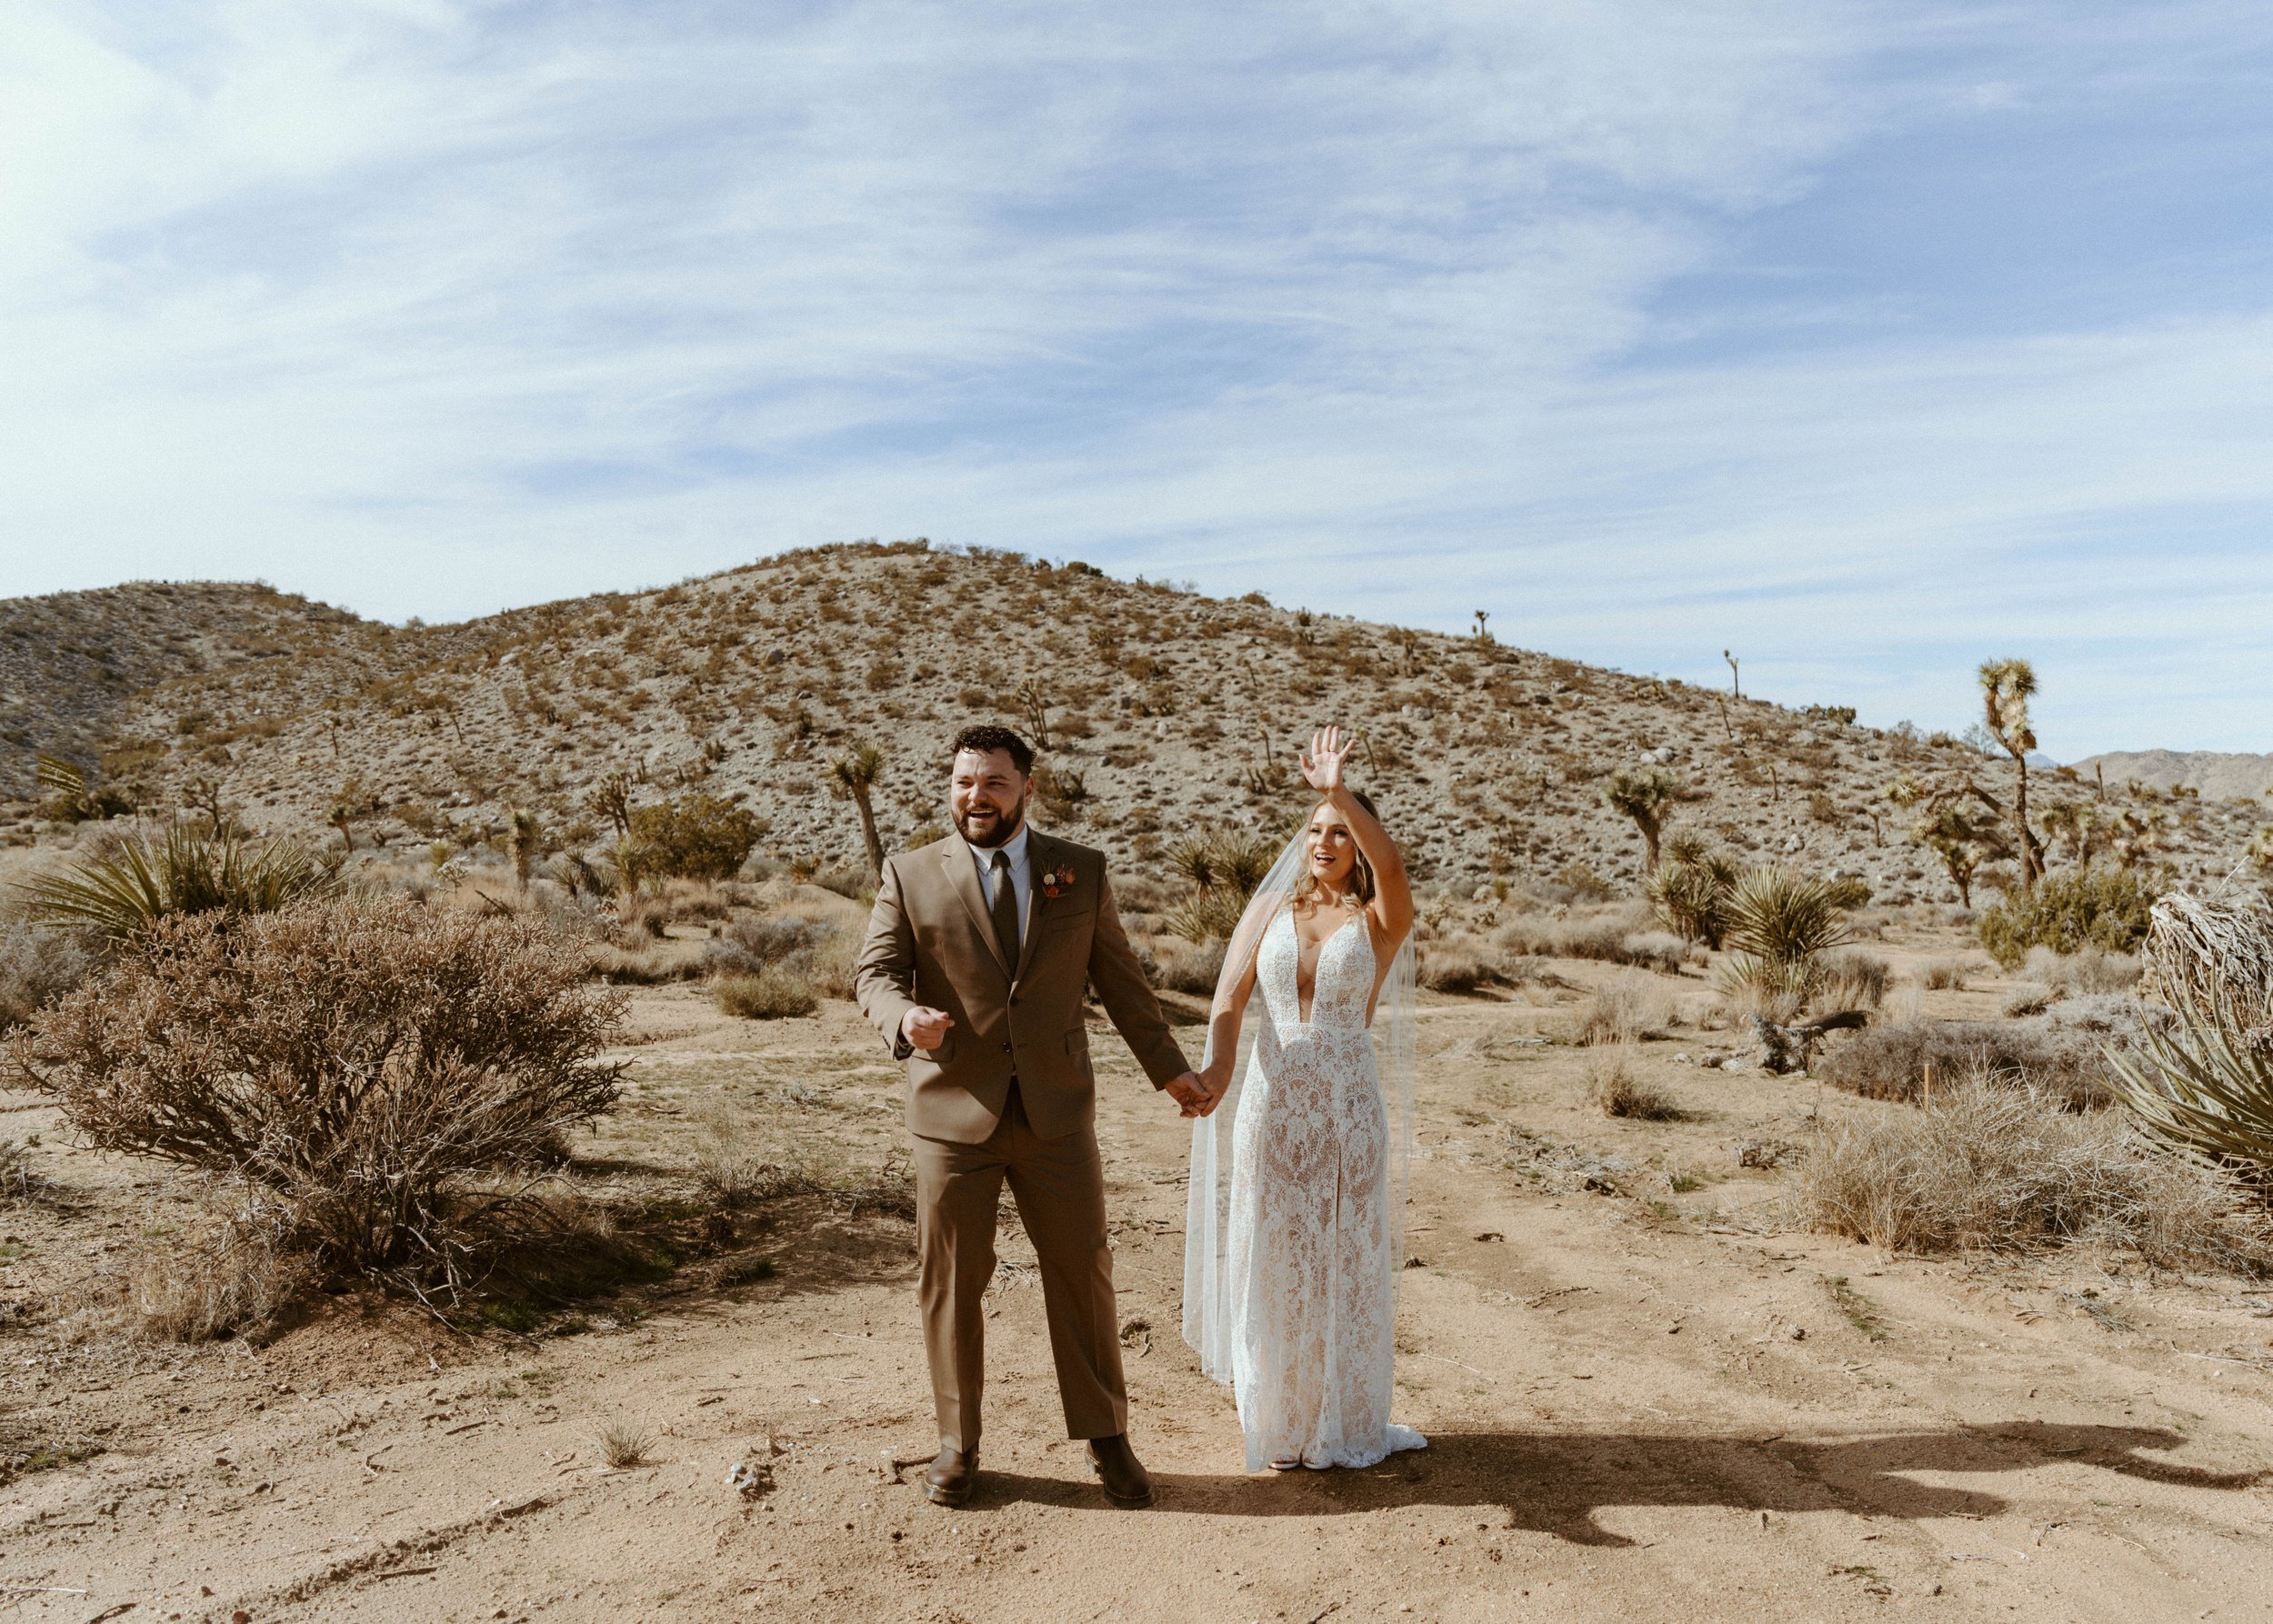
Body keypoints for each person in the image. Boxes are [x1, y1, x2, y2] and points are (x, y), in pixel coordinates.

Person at [856, 724, 1212, 1509]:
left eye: (992, 783)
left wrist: (1172, 1073)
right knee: (950, 1281)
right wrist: (902, 1017)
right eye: (962, 782)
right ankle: (959, 1444)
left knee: (1082, 1273)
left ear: (1026, 787)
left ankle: (1108, 1438)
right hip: (952, 1114)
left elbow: (1121, 983)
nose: (974, 797)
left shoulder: (1079, 872)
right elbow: (875, 972)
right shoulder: (910, 873)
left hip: (1056, 1114)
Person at [1182, 724, 1427, 1471]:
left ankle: (1344, 1416)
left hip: (1348, 1108)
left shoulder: (1381, 921)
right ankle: (1282, 1415)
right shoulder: (1269, 914)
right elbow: (1227, 1002)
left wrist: (1338, 791)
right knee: (1278, 1255)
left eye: (1339, 830)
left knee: (1344, 1259)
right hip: (1274, 1102)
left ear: (1358, 839)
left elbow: (1392, 867)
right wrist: (1218, 1076)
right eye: (1315, 828)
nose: (1324, 839)